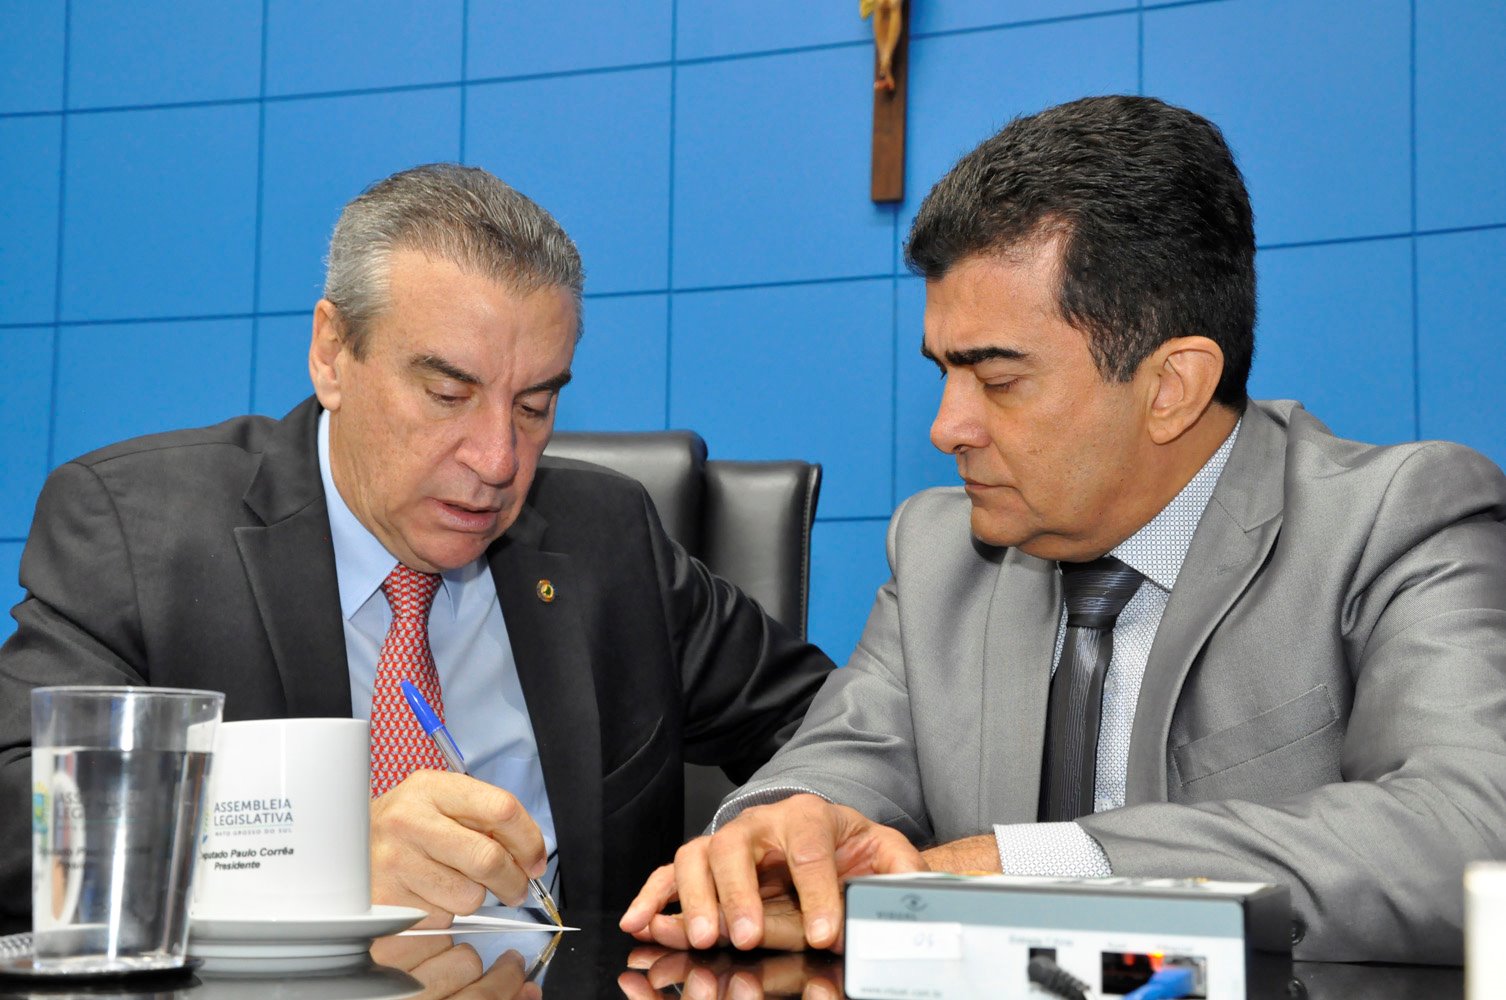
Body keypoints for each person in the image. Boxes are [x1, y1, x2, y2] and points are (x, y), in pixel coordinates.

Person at [621, 95, 1506, 964]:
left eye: (999, 380)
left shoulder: (1395, 520)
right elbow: (845, 760)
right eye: (942, 373)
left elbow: (1473, 832)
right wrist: (786, 835)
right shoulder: (939, 549)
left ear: (1173, 387)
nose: (946, 428)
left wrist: (1029, 866)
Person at [0, 163, 835, 928]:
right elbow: (18, 814)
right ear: (333, 354)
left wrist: (775, 832)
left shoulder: (607, 538)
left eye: (535, 407)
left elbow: (832, 726)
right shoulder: (140, 531)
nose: (498, 461)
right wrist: (320, 858)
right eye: (446, 393)